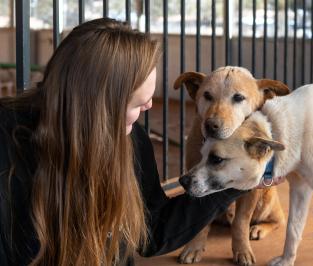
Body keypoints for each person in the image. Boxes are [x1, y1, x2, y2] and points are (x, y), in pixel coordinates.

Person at [0, 18, 244, 265]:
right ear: (99, 104)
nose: (150, 106)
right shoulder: (9, 144)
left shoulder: (130, 137)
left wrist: (236, 178)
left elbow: (153, 230)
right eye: (138, 103)